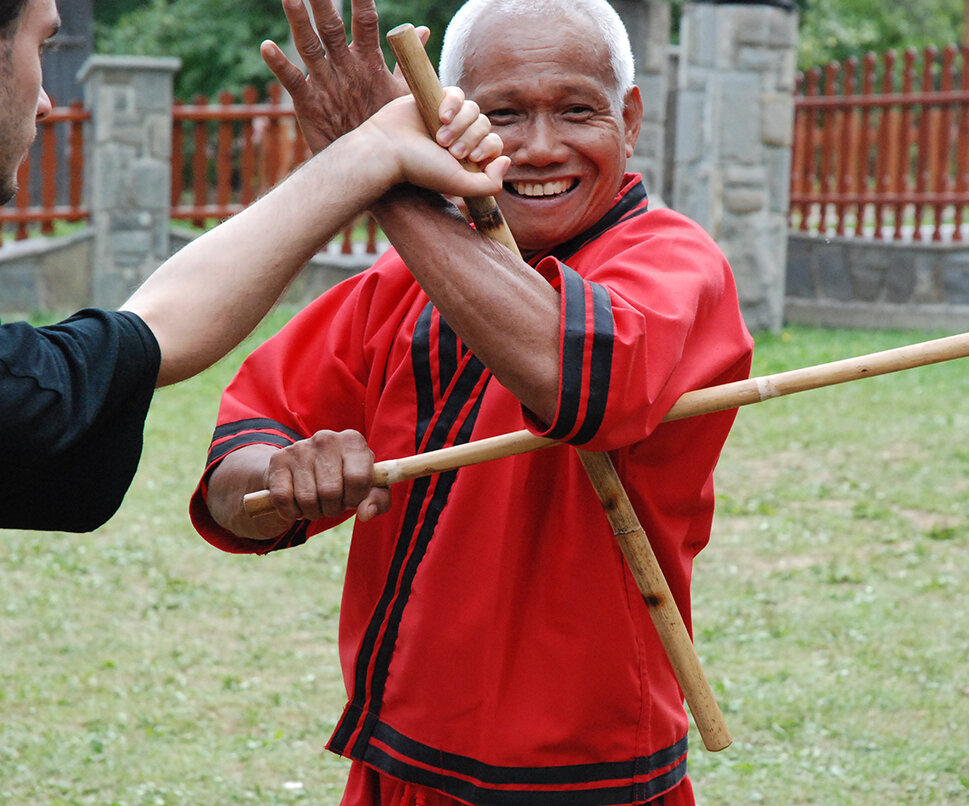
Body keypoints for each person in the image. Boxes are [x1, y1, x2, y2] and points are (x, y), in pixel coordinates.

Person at [192, 0, 753, 803]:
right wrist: (280, 479)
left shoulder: (674, 264)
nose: (541, 146)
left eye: (577, 110)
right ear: (440, 119)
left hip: (583, 773)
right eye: (503, 114)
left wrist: (382, 179)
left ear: (628, 117)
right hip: (397, 759)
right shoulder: (397, 285)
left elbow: (576, 380)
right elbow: (233, 472)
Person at [0, 0, 507, 531]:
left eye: (577, 110)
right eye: (43, 45)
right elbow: (159, 360)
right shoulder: (390, 300)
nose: (46, 102)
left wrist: (374, 155)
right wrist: (377, 159)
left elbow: (142, 338)